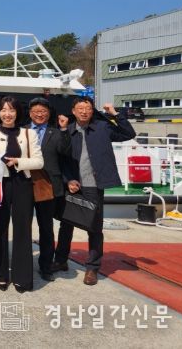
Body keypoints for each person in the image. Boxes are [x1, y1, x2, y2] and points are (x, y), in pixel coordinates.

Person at [53, 98, 136, 286]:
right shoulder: (67, 130)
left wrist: (115, 114)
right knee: (66, 225)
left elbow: (128, 133)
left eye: (88, 108)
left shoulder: (102, 128)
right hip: (73, 184)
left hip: (94, 185)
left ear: (92, 111)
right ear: (73, 111)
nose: (84, 112)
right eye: (80, 108)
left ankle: (92, 267)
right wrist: (68, 180)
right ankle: (60, 260)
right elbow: (60, 159)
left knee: (95, 228)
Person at [0, 96, 43, 293]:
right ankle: (0, 272)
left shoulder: (29, 133)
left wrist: (19, 162)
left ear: (18, 113)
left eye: (11, 110)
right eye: (3, 110)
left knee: (22, 229)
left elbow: (39, 162)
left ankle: (22, 276)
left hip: (22, 183)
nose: (7, 114)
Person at [25, 97, 71, 282]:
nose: (39, 114)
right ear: (30, 114)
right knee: (23, 227)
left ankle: (45, 267)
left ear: (49, 113)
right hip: (25, 184)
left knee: (46, 228)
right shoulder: (22, 131)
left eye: (43, 111)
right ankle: (23, 264)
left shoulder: (56, 132)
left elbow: (66, 152)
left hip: (48, 186)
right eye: (36, 111)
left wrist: (64, 130)